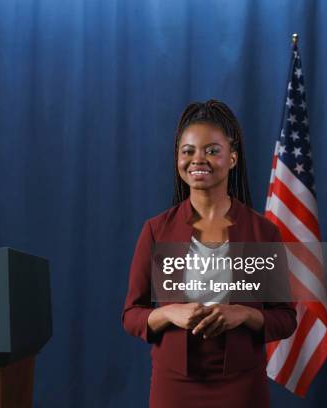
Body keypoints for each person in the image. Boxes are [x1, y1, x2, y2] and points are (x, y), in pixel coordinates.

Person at [122, 100, 297, 408]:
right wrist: (168, 313)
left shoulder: (263, 233)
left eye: (211, 150)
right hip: (174, 385)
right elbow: (131, 315)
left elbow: (285, 319)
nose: (197, 159)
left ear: (232, 158)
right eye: (187, 151)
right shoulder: (156, 230)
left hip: (242, 385)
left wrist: (243, 314)